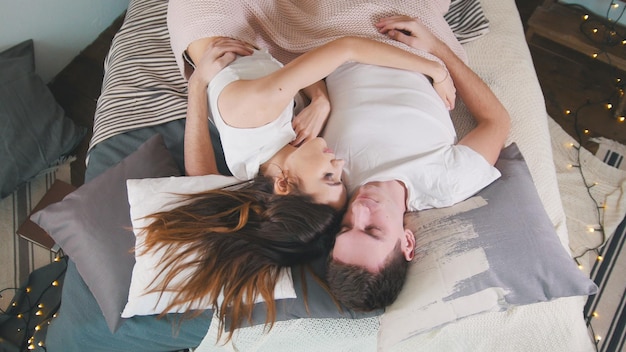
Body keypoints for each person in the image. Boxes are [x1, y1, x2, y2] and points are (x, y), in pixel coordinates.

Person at [142, 27, 457, 341]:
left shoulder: (261, 113)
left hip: (216, 19)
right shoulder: (261, 172)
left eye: (329, 178)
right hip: (253, 36)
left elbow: (345, 47)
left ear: (284, 184)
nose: (340, 164)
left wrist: (436, 68)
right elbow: (201, 180)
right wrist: (319, 99)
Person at [324, 16, 511, 311]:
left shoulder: (328, 183)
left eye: (346, 227)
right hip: (406, 41)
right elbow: (496, 121)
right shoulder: (448, 181)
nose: (359, 210)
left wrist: (319, 101)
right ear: (407, 243)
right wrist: (438, 50)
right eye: (373, 230)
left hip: (326, 35)